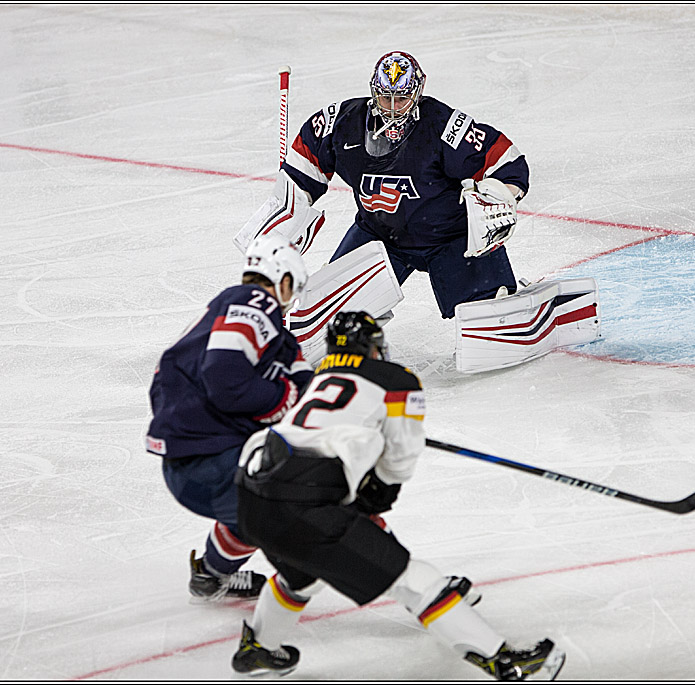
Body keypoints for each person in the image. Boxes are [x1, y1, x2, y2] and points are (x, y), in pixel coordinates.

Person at [229, 311, 566, 680]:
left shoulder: (320, 378)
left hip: (252, 496)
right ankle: (505, 662)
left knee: (303, 575)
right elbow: (398, 464)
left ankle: (258, 650)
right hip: (303, 503)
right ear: (372, 349)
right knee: (415, 580)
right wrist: (374, 499)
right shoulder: (396, 381)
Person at [246, 50, 531, 322]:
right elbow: (304, 162)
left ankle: (491, 299)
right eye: (385, 97)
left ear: (417, 93)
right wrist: (285, 216)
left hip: (450, 238)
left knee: (486, 314)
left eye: (402, 98)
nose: (393, 107)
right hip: (379, 235)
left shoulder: (443, 126)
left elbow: (506, 160)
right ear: (374, 92)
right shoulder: (342, 122)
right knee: (331, 316)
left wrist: (499, 196)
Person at [144, 234, 313, 601]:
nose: (288, 305)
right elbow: (226, 381)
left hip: (190, 464)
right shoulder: (253, 302)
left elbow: (303, 385)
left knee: (256, 511)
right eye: (292, 291)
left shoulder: (245, 322)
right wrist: (284, 400)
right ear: (282, 280)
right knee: (294, 505)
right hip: (209, 459)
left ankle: (211, 575)